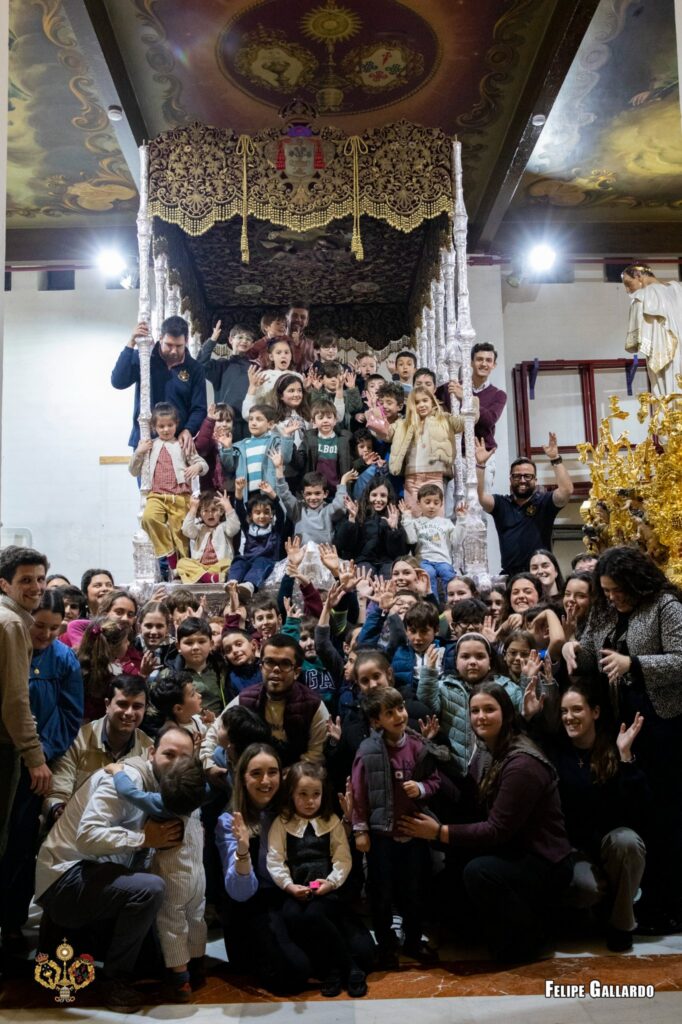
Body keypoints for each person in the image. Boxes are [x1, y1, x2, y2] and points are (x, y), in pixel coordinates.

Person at [400, 683, 573, 963]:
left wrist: (439, 832)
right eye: (475, 710)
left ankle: (529, 938)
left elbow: (496, 831)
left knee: (478, 872)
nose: (480, 717)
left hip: (543, 861)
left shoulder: (521, 764)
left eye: (489, 709)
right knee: (440, 891)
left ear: (506, 713)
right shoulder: (486, 749)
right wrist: (428, 774)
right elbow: (468, 798)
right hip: (513, 849)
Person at [563, 546, 682, 934]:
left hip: (663, 724)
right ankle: (636, 900)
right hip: (619, 722)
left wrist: (635, 663)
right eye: (606, 590)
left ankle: (667, 906)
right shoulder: (604, 609)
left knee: (664, 815)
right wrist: (571, 647)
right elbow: (591, 655)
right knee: (634, 813)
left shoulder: (664, 605)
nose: (612, 596)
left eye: (617, 589)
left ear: (636, 581)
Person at [35, 726, 193, 1013]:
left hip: (93, 876)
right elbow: (87, 837)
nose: (176, 764)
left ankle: (62, 941)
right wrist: (143, 839)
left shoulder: (167, 788)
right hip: (65, 877)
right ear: (151, 753)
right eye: (169, 755)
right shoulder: (126, 778)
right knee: (150, 889)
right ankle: (115, 981)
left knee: (153, 962)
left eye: (184, 758)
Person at [524, 680, 648, 952]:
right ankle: (601, 907)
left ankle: (621, 926)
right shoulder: (555, 750)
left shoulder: (613, 748)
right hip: (572, 850)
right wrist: (530, 717)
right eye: (564, 711)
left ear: (595, 712)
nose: (569, 717)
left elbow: (636, 808)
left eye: (577, 709)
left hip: (608, 844)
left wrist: (625, 756)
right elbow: (528, 749)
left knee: (628, 842)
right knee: (585, 890)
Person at [0, 589, 82, 951]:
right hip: (6, 758)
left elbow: (69, 715)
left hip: (37, 770)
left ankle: (12, 922)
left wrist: (40, 755)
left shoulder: (64, 659)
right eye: (40, 626)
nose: (46, 634)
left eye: (55, 628)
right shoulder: (10, 644)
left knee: (20, 846)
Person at [104, 751, 208, 1002]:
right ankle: (197, 966)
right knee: (196, 918)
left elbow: (129, 792)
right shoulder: (198, 798)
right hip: (199, 875)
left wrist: (117, 771)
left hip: (175, 877)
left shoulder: (162, 804)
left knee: (172, 924)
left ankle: (181, 981)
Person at [351, 686, 440, 966]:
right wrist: (360, 829)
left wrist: (421, 788)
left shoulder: (418, 746)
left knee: (413, 891)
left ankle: (413, 940)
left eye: (400, 708)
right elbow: (358, 794)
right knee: (381, 892)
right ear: (376, 721)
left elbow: (434, 780)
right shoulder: (368, 751)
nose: (399, 716)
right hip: (381, 837)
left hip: (413, 833)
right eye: (389, 713)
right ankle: (386, 944)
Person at [215, 743, 314, 993]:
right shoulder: (229, 821)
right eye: (256, 773)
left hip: (287, 895)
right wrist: (243, 850)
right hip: (251, 904)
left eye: (272, 772)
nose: (266, 781)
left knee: (360, 952)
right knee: (293, 973)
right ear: (243, 778)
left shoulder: (288, 811)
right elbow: (240, 893)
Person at [266, 761, 368, 997]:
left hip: (326, 889)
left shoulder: (331, 821)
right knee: (292, 915)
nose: (310, 801)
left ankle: (343, 968)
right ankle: (335, 968)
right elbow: (275, 859)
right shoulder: (282, 823)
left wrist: (331, 882)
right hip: (297, 889)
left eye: (315, 794)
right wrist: (289, 886)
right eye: (302, 794)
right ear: (291, 794)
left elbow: (342, 858)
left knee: (314, 914)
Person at [201, 635, 330, 770]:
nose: (276, 669)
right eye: (269, 662)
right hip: (254, 771)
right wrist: (208, 765)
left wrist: (286, 776)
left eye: (285, 664)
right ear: (261, 667)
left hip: (296, 775)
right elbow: (215, 732)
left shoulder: (313, 705)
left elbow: (316, 755)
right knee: (219, 754)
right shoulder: (246, 699)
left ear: (297, 672)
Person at [44, 675, 153, 821]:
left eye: (137, 706)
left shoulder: (149, 749)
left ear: (145, 709)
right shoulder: (77, 740)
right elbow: (57, 793)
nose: (129, 712)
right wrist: (58, 809)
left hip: (124, 829)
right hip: (75, 823)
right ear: (107, 705)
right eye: (122, 704)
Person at [0, 545, 51, 858]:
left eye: (40, 579)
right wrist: (35, 757)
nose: (37, 587)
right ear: (5, 584)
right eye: (26, 580)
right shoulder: (12, 623)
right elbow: (15, 700)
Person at [417, 634, 523, 774]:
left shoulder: (507, 688)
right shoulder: (444, 687)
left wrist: (527, 680)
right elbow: (428, 704)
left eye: (480, 656)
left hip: (497, 767)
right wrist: (429, 672)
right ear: (456, 662)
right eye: (465, 656)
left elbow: (525, 717)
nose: (472, 662)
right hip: (455, 769)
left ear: (490, 661)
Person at [475, 433, 574, 578]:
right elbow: (480, 497)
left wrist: (555, 458)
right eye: (517, 476)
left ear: (535, 480)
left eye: (527, 476)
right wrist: (480, 465)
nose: (522, 480)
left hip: (539, 575)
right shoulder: (501, 504)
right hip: (511, 576)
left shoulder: (544, 502)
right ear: (510, 479)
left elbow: (566, 491)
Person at [130, 402, 209, 580]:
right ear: (154, 427)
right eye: (161, 426)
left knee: (181, 537)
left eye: (170, 425)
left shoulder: (182, 444)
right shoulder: (150, 446)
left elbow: (202, 464)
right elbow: (133, 470)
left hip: (180, 496)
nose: (166, 429)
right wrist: (139, 452)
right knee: (149, 518)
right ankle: (169, 554)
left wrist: (197, 467)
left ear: (176, 424)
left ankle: (183, 574)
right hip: (157, 495)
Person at [112, 316, 207, 451]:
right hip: (145, 441)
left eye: (179, 346)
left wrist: (188, 430)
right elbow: (118, 382)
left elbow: (199, 408)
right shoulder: (144, 357)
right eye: (169, 345)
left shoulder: (195, 368)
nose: (174, 351)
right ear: (160, 338)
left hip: (177, 443)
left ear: (186, 341)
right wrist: (131, 343)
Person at [389, 386, 473, 512]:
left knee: (435, 518)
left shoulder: (444, 418)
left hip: (435, 476)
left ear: (432, 401)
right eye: (417, 402)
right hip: (412, 479)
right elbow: (386, 433)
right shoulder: (404, 423)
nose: (421, 405)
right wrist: (375, 415)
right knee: (412, 518)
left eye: (425, 400)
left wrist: (465, 399)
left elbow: (467, 422)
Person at [448, 342, 507, 488]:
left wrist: (466, 398)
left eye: (488, 360)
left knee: (482, 499)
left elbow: (489, 420)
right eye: (479, 359)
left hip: (483, 455)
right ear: (471, 362)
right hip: (457, 455)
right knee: (454, 500)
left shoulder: (499, 395)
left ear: (494, 365)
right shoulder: (455, 387)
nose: (484, 364)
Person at [622, 262, 682, 396]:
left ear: (639, 275)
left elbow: (634, 342)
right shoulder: (677, 288)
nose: (627, 290)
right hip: (678, 347)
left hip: (662, 350)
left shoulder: (642, 296)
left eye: (628, 283)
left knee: (666, 389)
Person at [400, 485, 464, 596]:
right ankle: (433, 603)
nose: (431, 506)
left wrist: (462, 519)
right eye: (427, 502)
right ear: (419, 503)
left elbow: (456, 540)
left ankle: (451, 600)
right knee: (428, 574)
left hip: (443, 560)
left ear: (441, 504)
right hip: (423, 560)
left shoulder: (446, 522)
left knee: (448, 574)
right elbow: (411, 539)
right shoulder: (416, 522)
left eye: (436, 502)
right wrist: (406, 517)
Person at [198, 323, 255, 443]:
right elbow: (200, 364)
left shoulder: (254, 368)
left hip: (248, 423)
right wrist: (212, 340)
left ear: (252, 344)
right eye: (240, 337)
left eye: (248, 339)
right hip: (225, 422)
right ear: (230, 339)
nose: (244, 341)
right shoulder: (221, 365)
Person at [178, 489, 240, 584]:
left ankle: (202, 577)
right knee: (182, 563)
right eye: (205, 511)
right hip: (201, 567)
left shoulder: (224, 527)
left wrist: (228, 507)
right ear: (200, 513)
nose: (210, 514)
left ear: (221, 511)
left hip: (219, 566)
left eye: (214, 510)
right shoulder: (199, 529)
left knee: (229, 563)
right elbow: (186, 530)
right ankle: (208, 577)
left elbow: (235, 527)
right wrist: (193, 509)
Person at [249, 304, 315, 373]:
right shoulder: (261, 342)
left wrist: (296, 345)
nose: (298, 319)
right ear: (287, 318)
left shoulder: (307, 344)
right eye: (294, 316)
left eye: (303, 317)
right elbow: (251, 355)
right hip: (265, 372)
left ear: (307, 322)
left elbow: (296, 359)